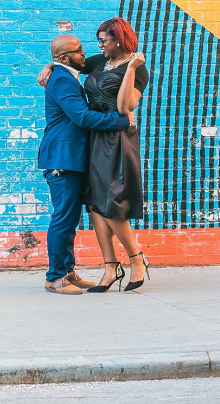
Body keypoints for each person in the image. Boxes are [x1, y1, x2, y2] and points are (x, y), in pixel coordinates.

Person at [37, 34, 135, 295]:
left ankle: (67, 272)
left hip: (72, 158)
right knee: (63, 217)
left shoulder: (64, 74)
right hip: (62, 158)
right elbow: (81, 116)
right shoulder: (61, 79)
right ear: (64, 58)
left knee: (70, 218)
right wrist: (122, 122)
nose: (84, 54)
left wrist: (50, 65)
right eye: (79, 51)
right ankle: (55, 278)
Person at [84, 17, 150, 293]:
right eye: (99, 40)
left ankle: (136, 259)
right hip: (93, 134)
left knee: (111, 201)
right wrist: (50, 65)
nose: (100, 45)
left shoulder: (139, 69)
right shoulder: (99, 61)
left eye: (104, 40)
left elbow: (124, 107)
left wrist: (131, 67)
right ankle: (110, 267)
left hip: (118, 137)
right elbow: (67, 64)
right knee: (94, 203)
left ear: (120, 39)